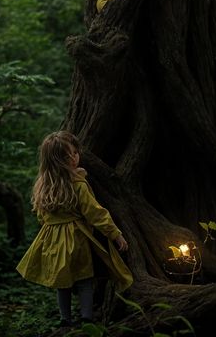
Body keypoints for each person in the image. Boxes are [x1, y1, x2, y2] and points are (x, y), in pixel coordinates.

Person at [16, 132, 132, 328]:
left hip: (51, 239)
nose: (74, 158)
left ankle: (65, 319)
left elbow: (40, 215)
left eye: (75, 153)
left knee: (63, 282)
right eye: (67, 155)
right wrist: (115, 233)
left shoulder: (43, 185)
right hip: (76, 238)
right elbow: (94, 212)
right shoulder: (77, 185)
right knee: (85, 279)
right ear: (56, 160)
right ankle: (86, 318)